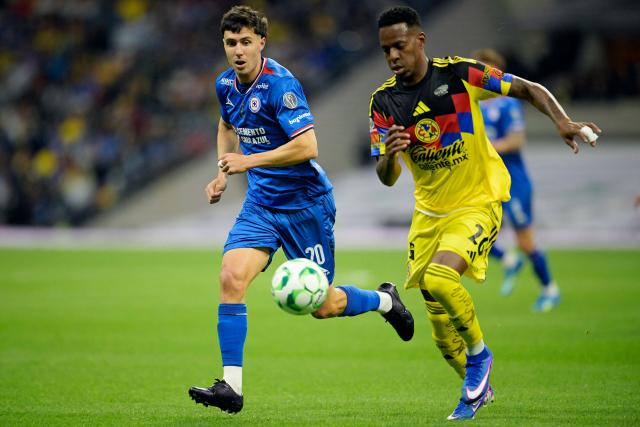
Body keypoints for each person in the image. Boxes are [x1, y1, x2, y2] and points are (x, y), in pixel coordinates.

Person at [369, 6, 600, 421]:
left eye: (399, 46)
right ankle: (479, 389)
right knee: (440, 333)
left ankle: (480, 356)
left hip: (479, 201)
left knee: (441, 279)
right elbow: (386, 178)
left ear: (420, 41)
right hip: (428, 216)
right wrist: (388, 155)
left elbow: (529, 88)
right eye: (386, 50)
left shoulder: (459, 75)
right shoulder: (383, 103)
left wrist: (562, 121)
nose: (392, 57)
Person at [188, 5, 414, 415]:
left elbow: (308, 147)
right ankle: (232, 388)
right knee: (230, 277)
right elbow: (225, 125)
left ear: (261, 42)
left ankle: (385, 301)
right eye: (230, 43)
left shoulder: (281, 86)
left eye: (245, 42)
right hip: (261, 205)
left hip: (305, 206)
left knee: (323, 306)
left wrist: (248, 162)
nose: (237, 50)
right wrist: (223, 170)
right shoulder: (225, 84)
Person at [472, 48, 561, 312]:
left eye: (483, 69)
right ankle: (509, 261)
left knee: (526, 241)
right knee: (473, 234)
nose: (477, 74)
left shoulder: (507, 103)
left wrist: (484, 148)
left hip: (513, 181)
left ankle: (550, 289)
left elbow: (516, 140)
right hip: (484, 183)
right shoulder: (471, 105)